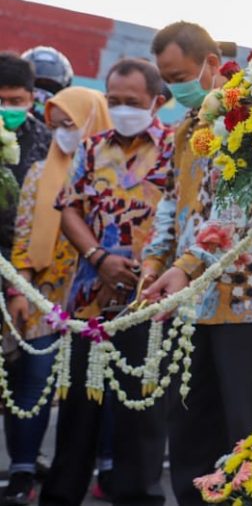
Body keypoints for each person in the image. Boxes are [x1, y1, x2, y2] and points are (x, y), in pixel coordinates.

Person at [141, 21, 252, 505]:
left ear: (212, 63)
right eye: (166, 78)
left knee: (249, 426)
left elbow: (236, 209)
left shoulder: (251, 119)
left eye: (181, 74)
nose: (175, 87)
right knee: (188, 421)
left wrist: (183, 266)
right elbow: (171, 199)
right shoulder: (187, 126)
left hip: (249, 294)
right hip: (189, 294)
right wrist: (153, 261)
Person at [40, 58, 173, 506]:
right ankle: (61, 495)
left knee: (142, 413)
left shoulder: (177, 148)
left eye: (132, 102)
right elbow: (69, 208)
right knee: (78, 407)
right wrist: (98, 257)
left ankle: (137, 495)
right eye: (113, 101)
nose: (121, 109)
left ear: (158, 100)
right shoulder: (93, 147)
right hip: (90, 300)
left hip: (151, 300)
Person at [1, 87, 110, 505]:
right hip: (43, 293)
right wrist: (20, 290)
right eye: (55, 126)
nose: (62, 134)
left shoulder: (114, 171)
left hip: (94, 295)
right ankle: (23, 473)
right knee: (32, 384)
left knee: (96, 388)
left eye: (71, 124)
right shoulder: (38, 172)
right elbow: (24, 235)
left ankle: (108, 468)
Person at [0, 52, 53, 258]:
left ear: (31, 99)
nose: (6, 108)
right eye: (0, 100)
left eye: (15, 101)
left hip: (20, 257)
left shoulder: (45, 140)